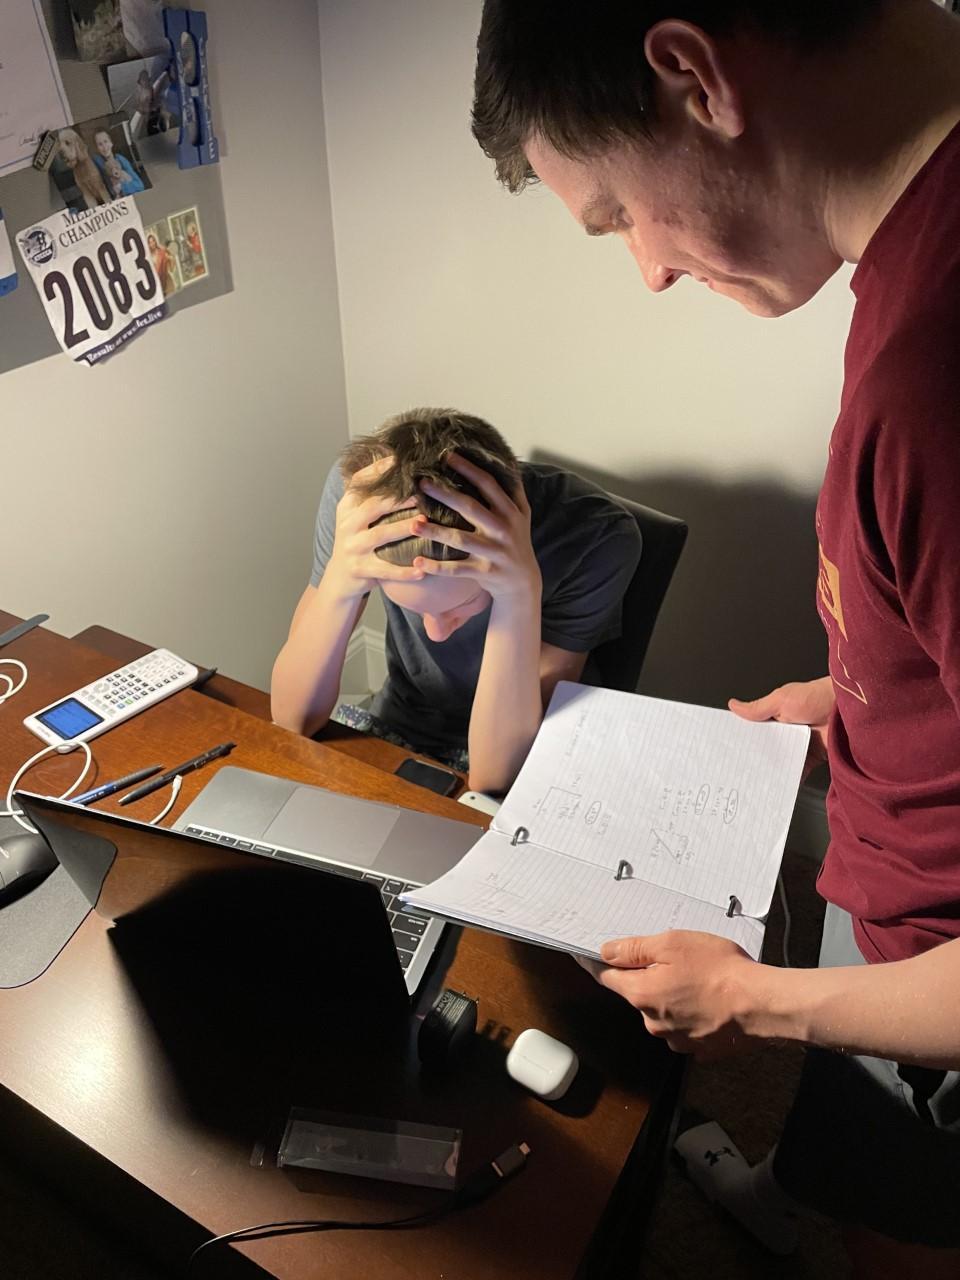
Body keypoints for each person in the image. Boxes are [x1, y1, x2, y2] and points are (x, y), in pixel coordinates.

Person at [471, 1, 960, 1276]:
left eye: (616, 215)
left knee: (904, 1230)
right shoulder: (912, 248)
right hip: (890, 900)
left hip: (936, 987)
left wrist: (754, 997)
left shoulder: (938, 381)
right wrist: (865, 695)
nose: (647, 268)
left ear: (693, 76)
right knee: (856, 1165)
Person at [271, 407, 641, 794]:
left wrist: (519, 593)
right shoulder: (359, 504)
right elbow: (291, 720)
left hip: (526, 734)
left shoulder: (598, 538)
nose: (435, 634)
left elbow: (493, 778)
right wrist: (339, 580)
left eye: (459, 607)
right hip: (407, 717)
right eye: (414, 610)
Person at [92, 129, 144, 196]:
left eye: (106, 141)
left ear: (111, 143)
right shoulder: (98, 163)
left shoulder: (120, 159)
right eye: (100, 144)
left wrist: (122, 187)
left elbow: (140, 185)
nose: (104, 147)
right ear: (97, 148)